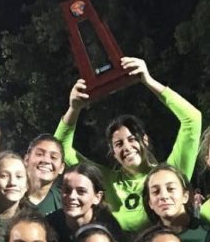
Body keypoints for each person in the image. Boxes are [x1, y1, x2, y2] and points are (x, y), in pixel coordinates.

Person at [55, 57, 201, 233]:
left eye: (132, 139)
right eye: (119, 144)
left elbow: (192, 120)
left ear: (145, 140)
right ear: (114, 153)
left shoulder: (170, 173)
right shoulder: (107, 181)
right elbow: (59, 150)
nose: (127, 147)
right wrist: (74, 108)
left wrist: (148, 81)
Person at [47, 163, 123, 242]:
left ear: (97, 197)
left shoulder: (109, 227)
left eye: (81, 191)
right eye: (67, 190)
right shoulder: (49, 225)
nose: (72, 197)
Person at [143, 163, 210, 242]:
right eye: (156, 192)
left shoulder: (208, 235)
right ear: (150, 203)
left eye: (170, 189)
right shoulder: (146, 241)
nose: (164, 196)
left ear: (185, 196)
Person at [23, 134, 65, 214]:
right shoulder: (10, 194)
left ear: (61, 168)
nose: (46, 160)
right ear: (26, 160)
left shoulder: (65, 202)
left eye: (53, 157)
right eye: (39, 154)